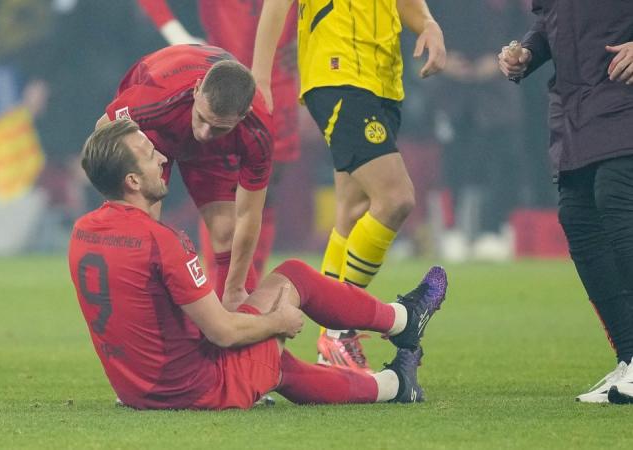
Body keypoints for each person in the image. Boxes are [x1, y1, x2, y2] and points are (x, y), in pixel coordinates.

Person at [68, 119, 449, 409]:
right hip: (193, 389)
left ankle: (397, 375)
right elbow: (223, 333)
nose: (164, 159)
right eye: (152, 157)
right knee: (293, 282)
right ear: (133, 180)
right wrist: (276, 323)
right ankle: (401, 337)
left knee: (268, 356)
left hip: (134, 388)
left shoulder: (82, 232)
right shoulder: (162, 242)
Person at [252, 0, 446, 372]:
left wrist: (428, 24)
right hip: (338, 72)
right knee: (395, 198)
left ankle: (331, 343)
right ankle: (341, 330)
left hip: (382, 79)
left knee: (354, 211)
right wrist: (260, 75)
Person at [498, 0, 633, 404]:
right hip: (576, 102)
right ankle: (629, 358)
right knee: (578, 218)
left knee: (617, 200)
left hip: (623, 93)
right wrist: (526, 52)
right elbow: (550, 21)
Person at [95, 44, 273, 310]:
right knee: (144, 229)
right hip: (154, 133)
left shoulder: (258, 132)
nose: (203, 132)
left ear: (243, 115)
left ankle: (235, 333)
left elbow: (249, 215)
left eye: (217, 127)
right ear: (197, 89)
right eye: (202, 117)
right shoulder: (158, 97)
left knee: (227, 231)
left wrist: (235, 290)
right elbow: (103, 129)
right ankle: (141, 312)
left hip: (211, 151)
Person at [136, 0, 300, 279]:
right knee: (223, 192)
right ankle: (219, 289)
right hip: (220, 83)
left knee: (266, 188)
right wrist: (177, 34)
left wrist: (311, 41)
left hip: (278, 81)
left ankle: (246, 288)